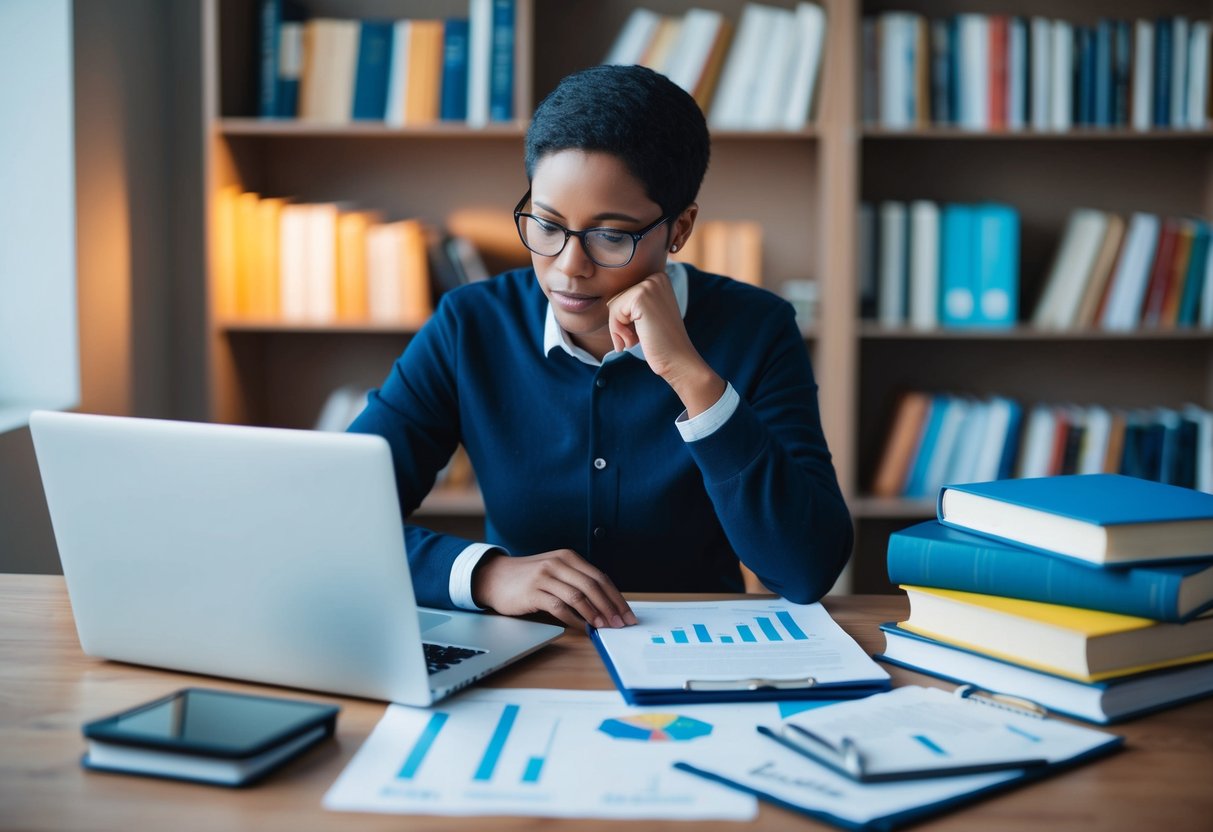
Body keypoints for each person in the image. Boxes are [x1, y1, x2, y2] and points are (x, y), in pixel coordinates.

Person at [348, 64, 851, 631]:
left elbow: (808, 568)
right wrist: (488, 575)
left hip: (699, 656)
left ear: (679, 229)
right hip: (526, 656)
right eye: (546, 224)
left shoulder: (758, 328)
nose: (568, 267)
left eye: (611, 235)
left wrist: (690, 376)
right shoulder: (471, 325)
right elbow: (336, 517)